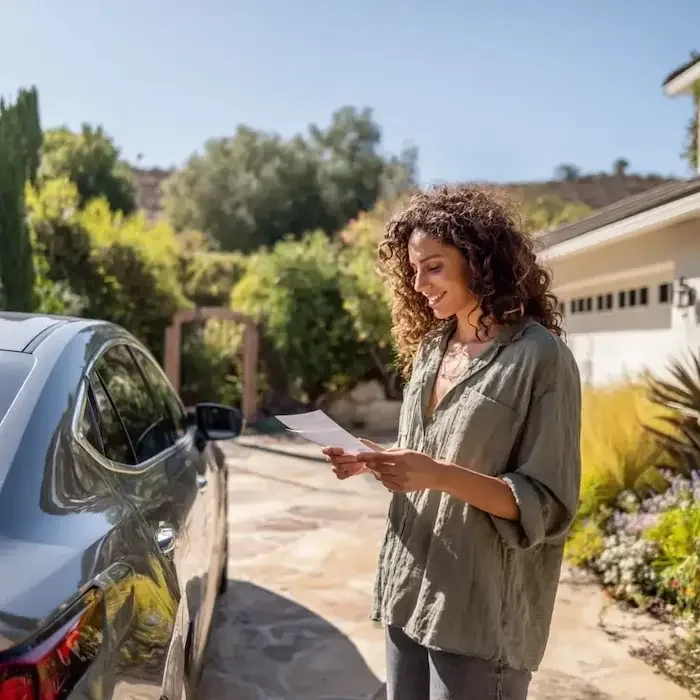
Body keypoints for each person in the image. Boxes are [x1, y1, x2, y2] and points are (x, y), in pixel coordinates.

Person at [323, 184, 581, 700]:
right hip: (408, 591)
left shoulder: (540, 358)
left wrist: (438, 475)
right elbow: (425, 458)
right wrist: (373, 460)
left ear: (481, 262)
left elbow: (548, 506)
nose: (418, 284)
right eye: (413, 270)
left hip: (477, 615)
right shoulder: (431, 350)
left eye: (434, 267)